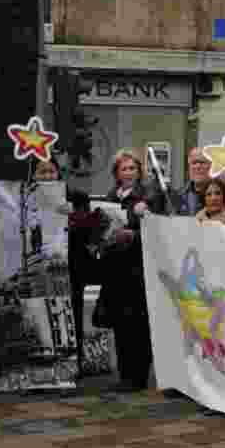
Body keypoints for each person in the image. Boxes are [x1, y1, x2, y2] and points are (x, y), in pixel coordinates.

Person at [101, 149, 155, 392]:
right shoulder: (110, 197)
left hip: (138, 267)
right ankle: (124, 375)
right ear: (117, 173)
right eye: (124, 168)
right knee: (120, 324)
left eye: (133, 168)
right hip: (116, 268)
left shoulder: (148, 196)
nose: (129, 172)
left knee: (139, 324)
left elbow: (156, 230)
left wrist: (134, 235)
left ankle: (139, 376)